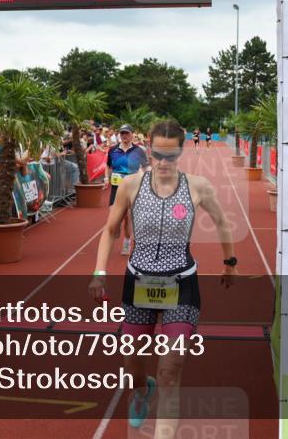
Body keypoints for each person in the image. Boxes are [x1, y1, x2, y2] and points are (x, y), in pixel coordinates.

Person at [89, 120, 236, 433]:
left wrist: (230, 262)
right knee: (132, 366)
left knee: (171, 370)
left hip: (181, 283)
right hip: (138, 281)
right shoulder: (131, 185)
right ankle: (142, 391)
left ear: (181, 152)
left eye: (171, 156)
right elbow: (111, 230)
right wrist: (99, 273)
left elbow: (223, 223)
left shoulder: (197, 186)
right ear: (148, 152)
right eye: (158, 155)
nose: (164, 163)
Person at [104, 125, 149, 256]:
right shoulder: (113, 150)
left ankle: (127, 240)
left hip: (132, 187)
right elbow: (108, 165)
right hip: (116, 187)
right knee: (113, 214)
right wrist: (106, 177)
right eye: (122, 133)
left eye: (127, 133)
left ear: (132, 135)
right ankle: (116, 225)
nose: (124, 136)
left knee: (128, 217)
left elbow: (145, 167)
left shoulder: (138, 151)